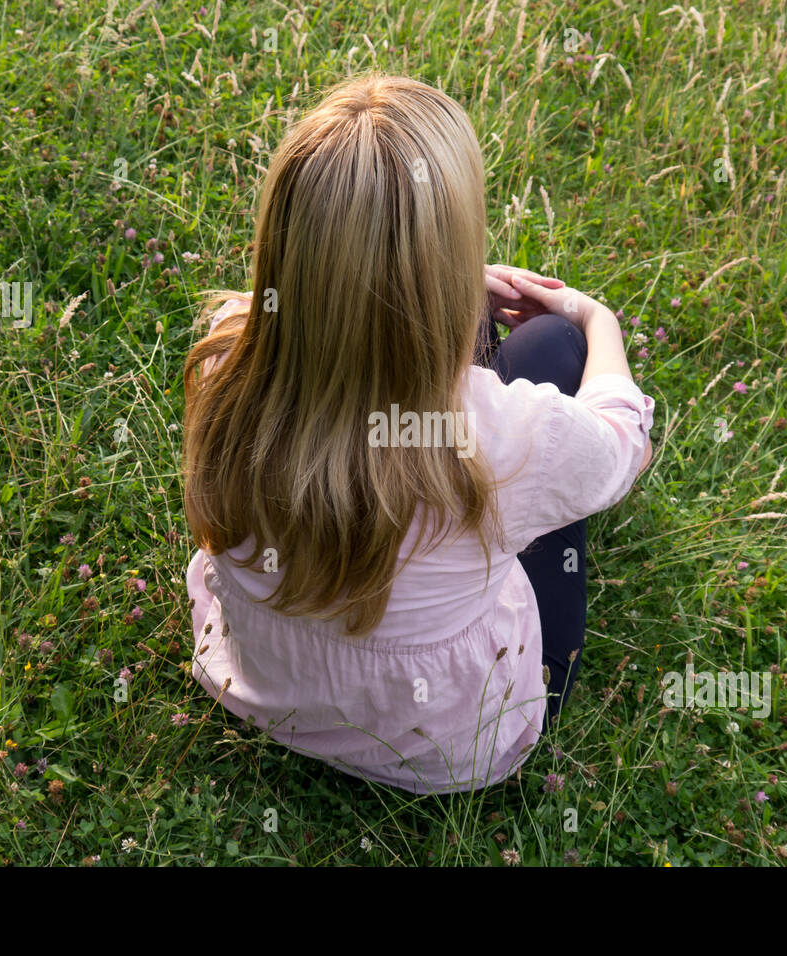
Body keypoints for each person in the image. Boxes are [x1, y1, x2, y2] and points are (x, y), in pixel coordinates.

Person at [181, 73, 656, 795]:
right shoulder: (498, 436)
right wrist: (598, 322)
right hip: (451, 743)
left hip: (267, 692)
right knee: (554, 351)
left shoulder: (227, 362)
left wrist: (442, 297)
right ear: (448, 258)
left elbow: (309, 315)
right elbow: (623, 442)